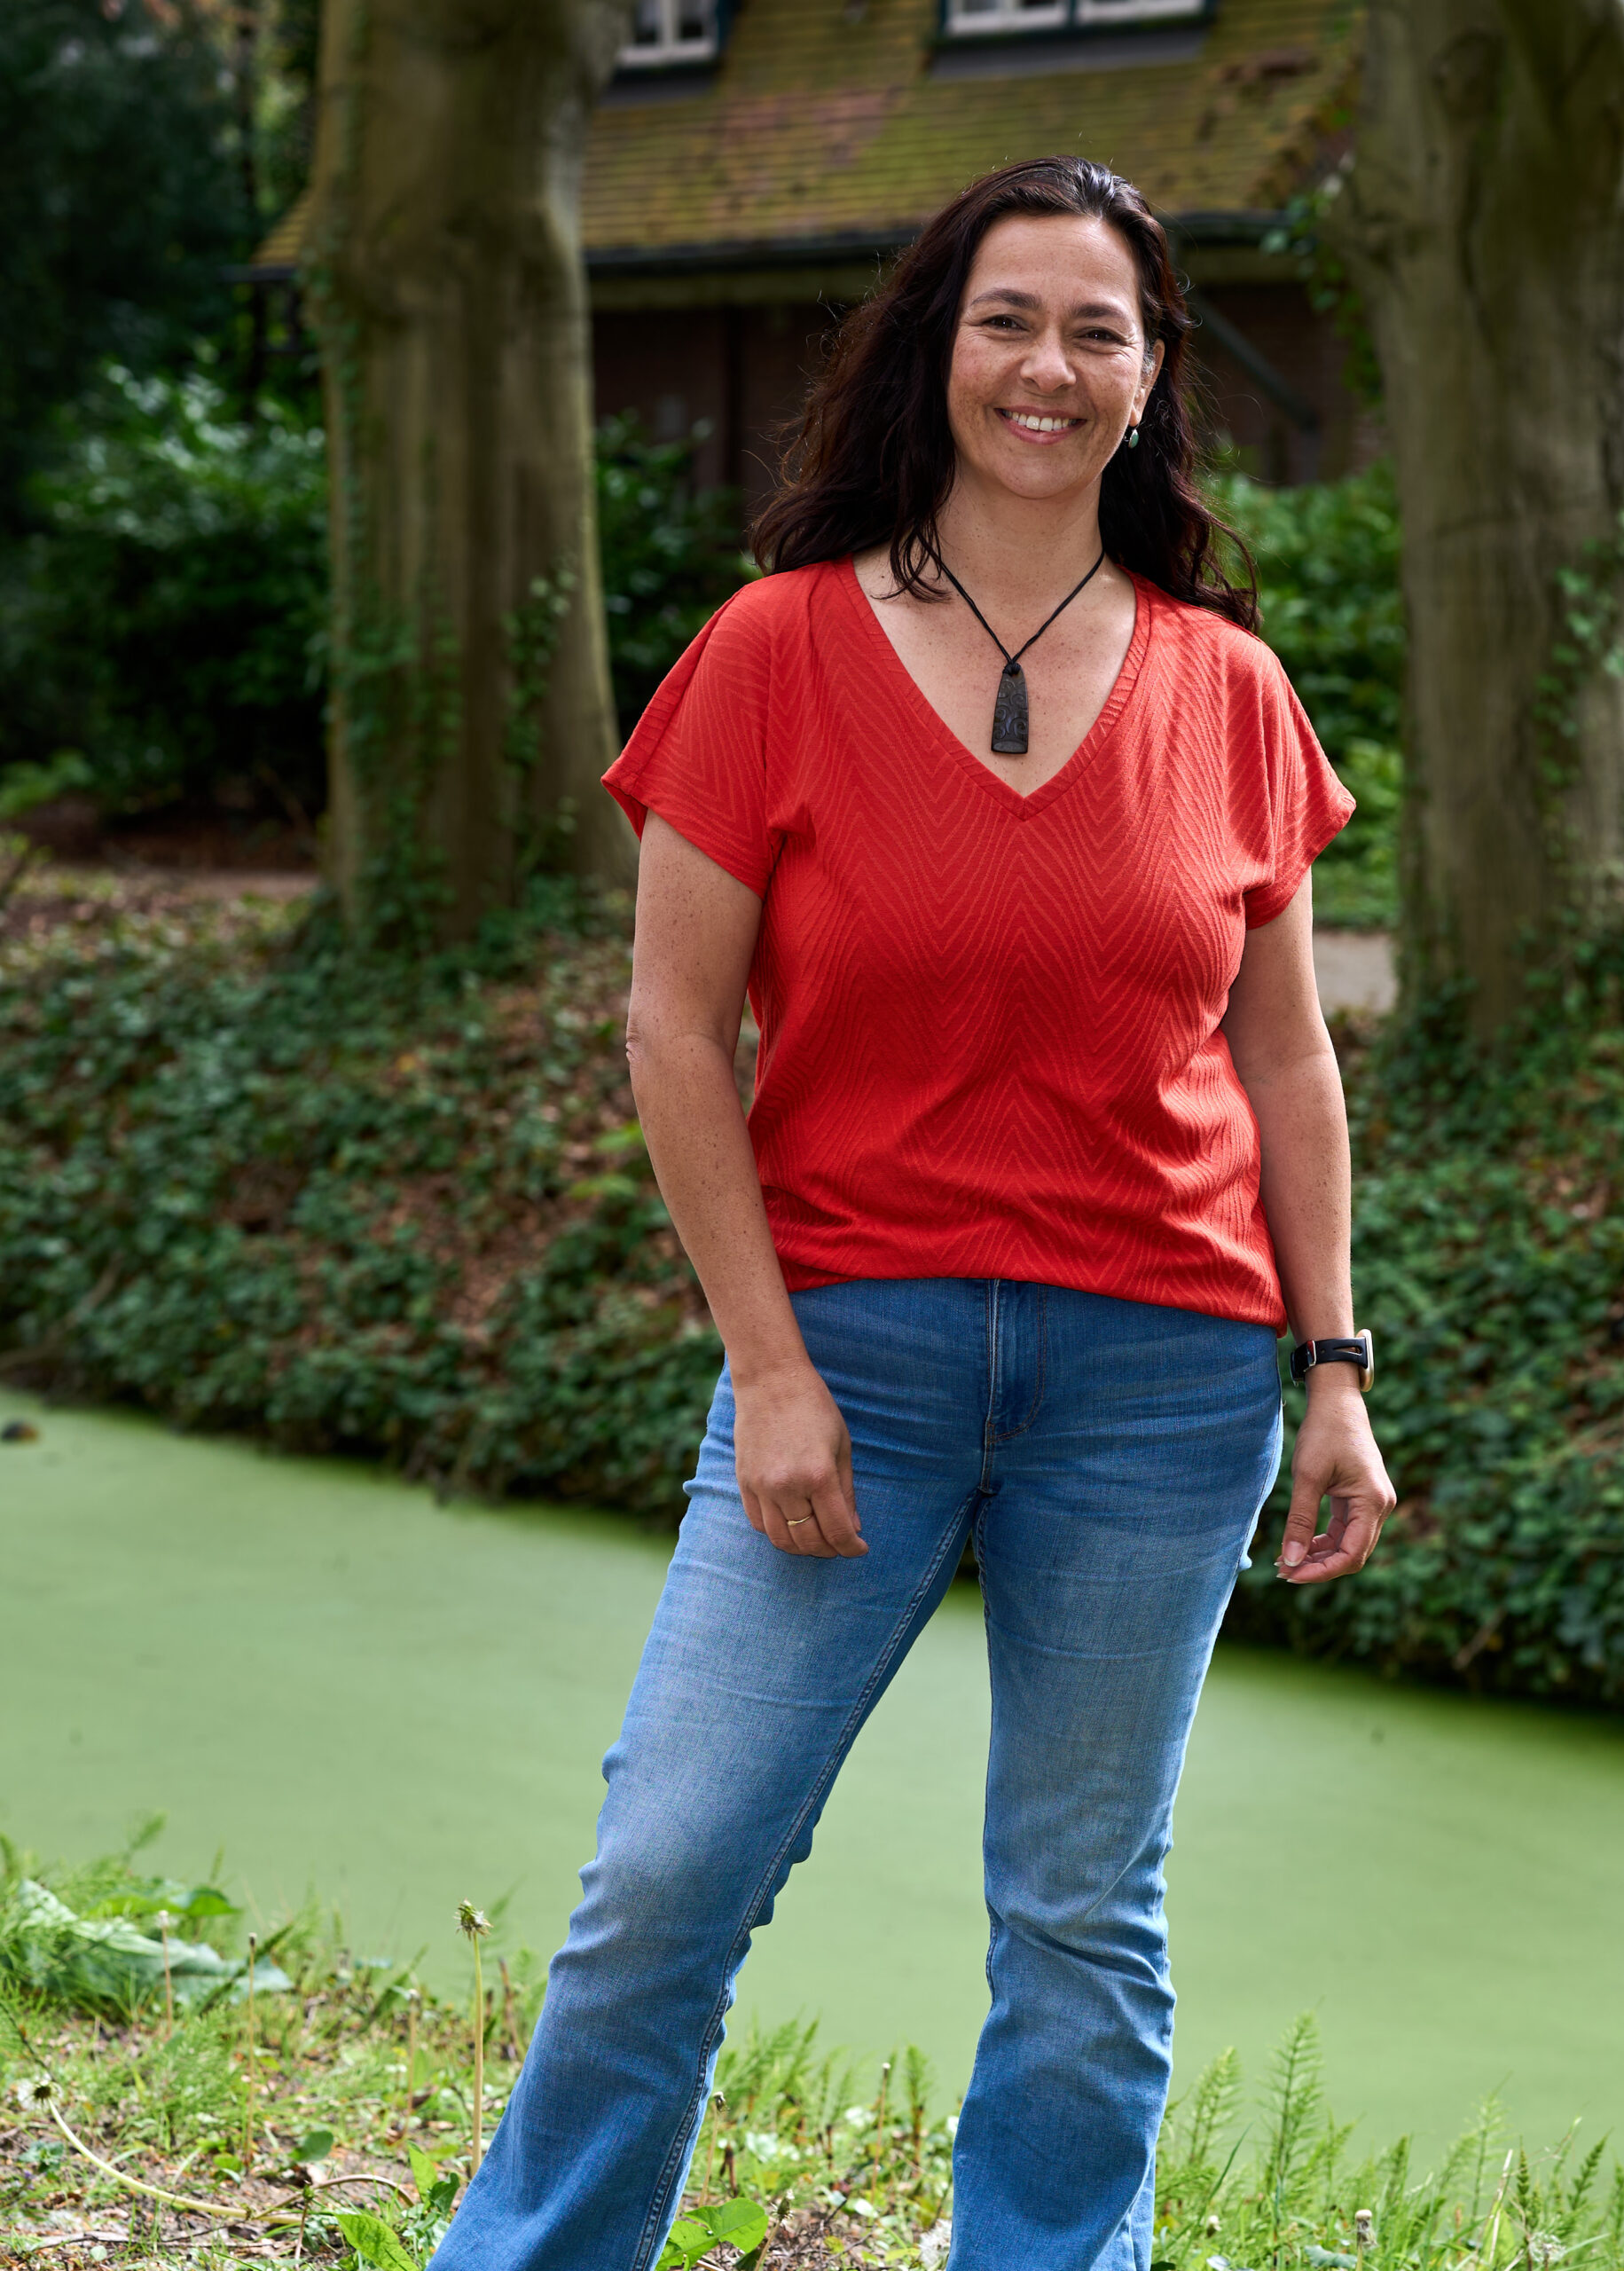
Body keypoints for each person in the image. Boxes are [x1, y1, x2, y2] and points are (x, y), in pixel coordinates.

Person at [428, 153, 1395, 2271]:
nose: (1048, 366)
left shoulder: (1230, 691)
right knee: (667, 1870)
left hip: (1163, 1372)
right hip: (845, 1351)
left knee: (1077, 1911)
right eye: (1006, 319)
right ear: (932, 348)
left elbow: (1286, 1060)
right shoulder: (773, 648)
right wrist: (764, 1366)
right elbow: (676, 1034)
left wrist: (1332, 1368)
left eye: (1099, 329)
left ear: (1149, 380)